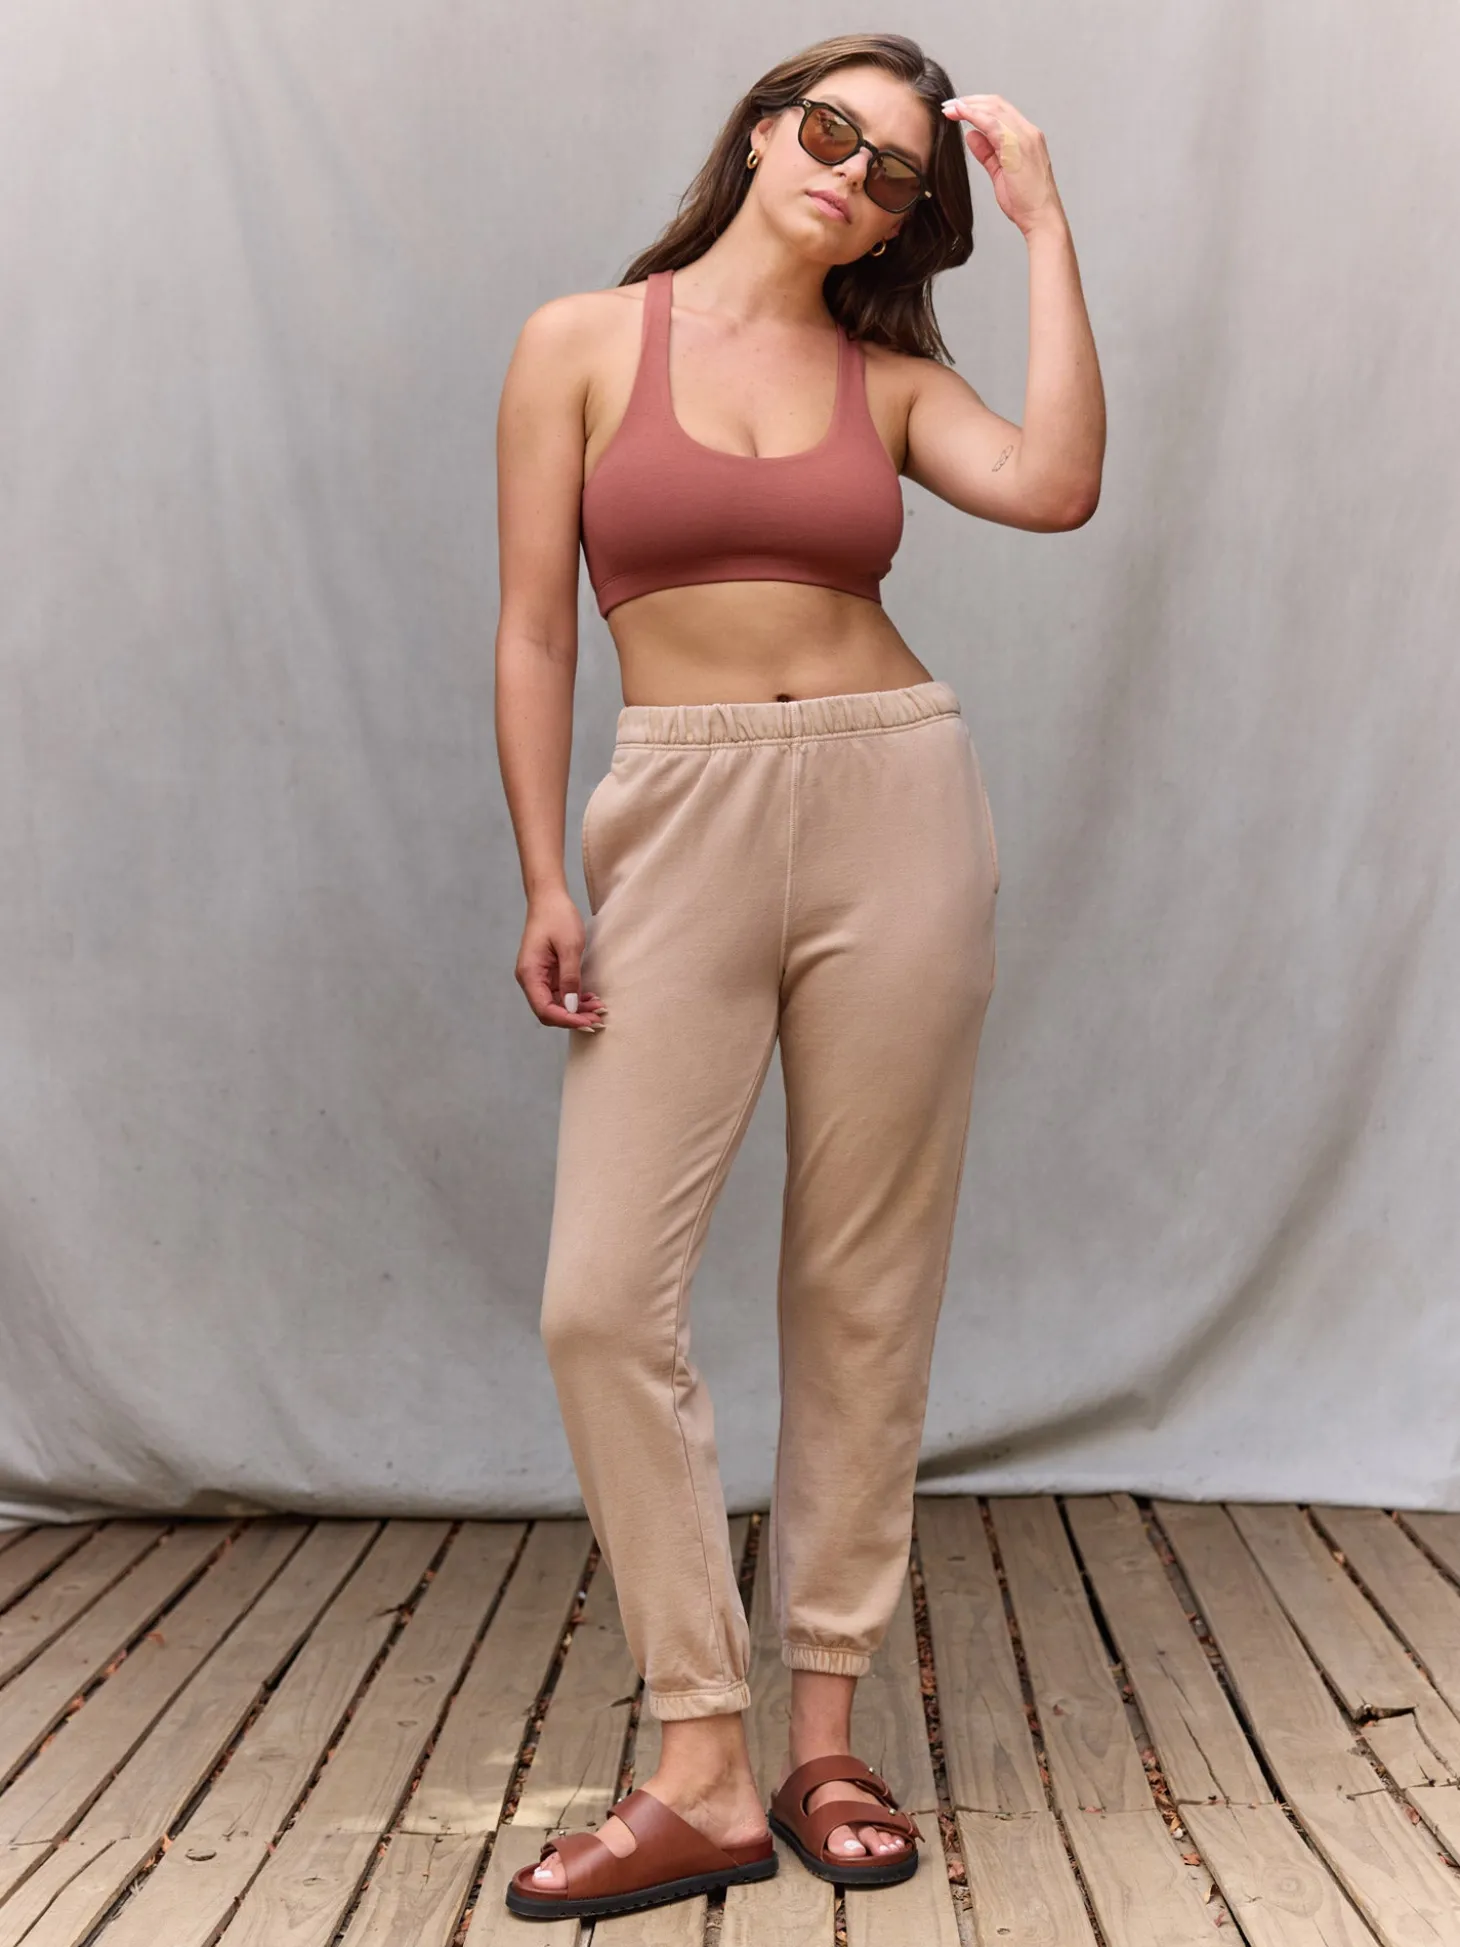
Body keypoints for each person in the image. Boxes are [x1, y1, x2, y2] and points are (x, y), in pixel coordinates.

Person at [494, 29, 1104, 1923]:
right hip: (675, 811)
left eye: (895, 170)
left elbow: (1059, 485)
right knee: (603, 1300)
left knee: (863, 1282)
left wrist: (1044, 221)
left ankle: (820, 1734)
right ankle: (700, 1749)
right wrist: (547, 871)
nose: (853, 171)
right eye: (832, 131)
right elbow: (533, 632)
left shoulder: (889, 379)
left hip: (893, 797)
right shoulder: (578, 343)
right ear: (765, 134)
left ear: (905, 219)